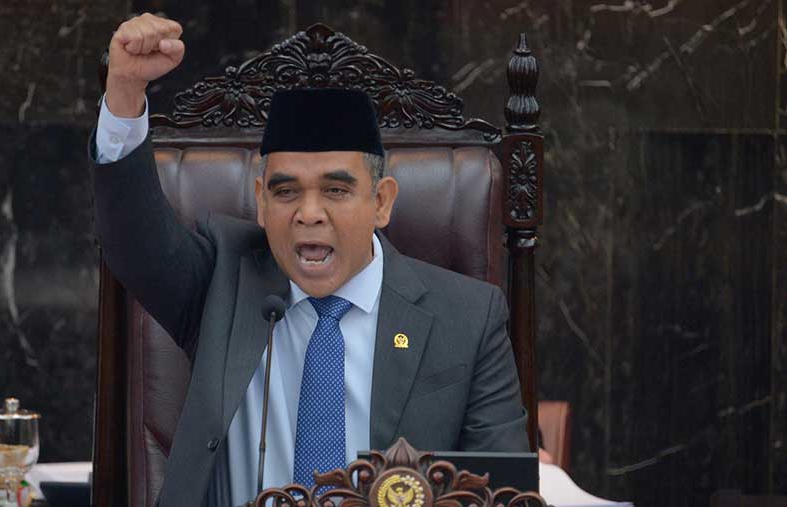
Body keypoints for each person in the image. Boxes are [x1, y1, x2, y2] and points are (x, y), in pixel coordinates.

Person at [92, 13, 528, 507]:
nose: (309, 214)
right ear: (261, 202)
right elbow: (133, 240)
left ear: (381, 202)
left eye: (336, 191)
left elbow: (501, 492)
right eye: (286, 192)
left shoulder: (467, 318)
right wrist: (124, 92)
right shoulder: (222, 281)